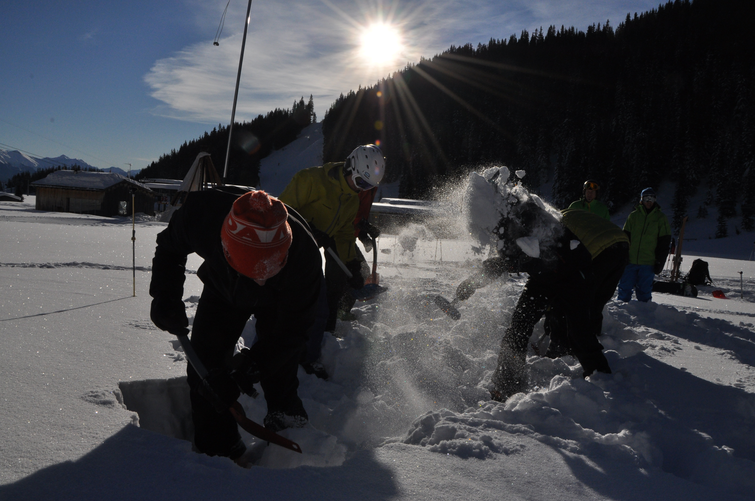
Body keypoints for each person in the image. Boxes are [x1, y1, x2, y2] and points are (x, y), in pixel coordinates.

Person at [149, 188, 322, 461]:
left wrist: (247, 371)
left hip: (281, 298)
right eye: (255, 273)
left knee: (280, 371)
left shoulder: (305, 259)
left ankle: (289, 434)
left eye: (270, 270)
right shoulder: (202, 216)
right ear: (226, 245)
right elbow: (169, 247)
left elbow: (292, 333)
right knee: (205, 371)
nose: (261, 281)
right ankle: (220, 450)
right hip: (224, 288)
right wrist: (165, 296)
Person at [455, 168, 628, 401]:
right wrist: (473, 282)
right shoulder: (506, 221)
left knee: (579, 333)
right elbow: (507, 259)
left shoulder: (526, 213)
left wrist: (482, 277)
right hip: (544, 277)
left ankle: (603, 380)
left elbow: (517, 256)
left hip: (574, 274)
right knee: (518, 327)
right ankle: (508, 385)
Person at [279, 144, 385, 336]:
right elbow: (281, 211)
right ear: (350, 167)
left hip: (315, 246)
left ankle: (325, 334)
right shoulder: (310, 179)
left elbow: (344, 232)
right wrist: (305, 227)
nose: (362, 190)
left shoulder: (352, 199)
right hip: (288, 245)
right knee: (296, 294)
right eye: (361, 182)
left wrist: (351, 262)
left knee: (332, 288)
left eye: (368, 187)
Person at [617, 187, 671, 302]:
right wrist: (622, 257)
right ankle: (621, 315)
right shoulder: (633, 216)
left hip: (648, 263)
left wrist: (660, 261)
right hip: (630, 262)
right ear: (641, 200)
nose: (649, 201)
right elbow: (624, 238)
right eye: (646, 198)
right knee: (624, 290)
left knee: (644, 292)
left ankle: (645, 316)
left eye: (651, 198)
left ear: (655, 200)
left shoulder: (661, 218)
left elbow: (664, 242)